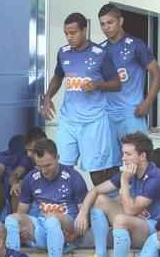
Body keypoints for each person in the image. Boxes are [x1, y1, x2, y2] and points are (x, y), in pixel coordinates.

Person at [73, 132, 160, 257]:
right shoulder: (129, 172)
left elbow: (129, 210)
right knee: (100, 200)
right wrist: (82, 213)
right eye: (123, 153)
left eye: (128, 154)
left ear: (142, 156)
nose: (123, 158)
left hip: (157, 230)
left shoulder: (156, 178)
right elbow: (95, 190)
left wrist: (124, 181)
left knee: (121, 219)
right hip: (139, 223)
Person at [42, 12, 121, 185]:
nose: (69, 37)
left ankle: (101, 209)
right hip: (68, 120)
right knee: (62, 168)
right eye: (66, 33)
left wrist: (98, 85)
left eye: (73, 33)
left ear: (84, 30)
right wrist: (48, 97)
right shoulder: (63, 52)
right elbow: (57, 76)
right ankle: (67, 205)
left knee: (97, 171)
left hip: (93, 122)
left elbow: (116, 83)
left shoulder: (100, 53)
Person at [5, 138, 87, 257]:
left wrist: (76, 233)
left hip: (68, 230)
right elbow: (22, 212)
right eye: (40, 166)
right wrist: (23, 229)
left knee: (52, 219)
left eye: (48, 165)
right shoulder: (31, 178)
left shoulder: (73, 177)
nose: (45, 171)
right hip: (43, 227)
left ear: (58, 158)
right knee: (11, 219)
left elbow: (84, 215)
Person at [98, 3, 160, 141]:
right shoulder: (100, 50)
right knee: (109, 161)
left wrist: (148, 102)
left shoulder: (136, 45)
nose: (106, 27)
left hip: (131, 113)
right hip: (106, 114)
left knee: (136, 159)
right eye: (102, 24)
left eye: (110, 22)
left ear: (120, 21)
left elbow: (158, 74)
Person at [9, 126, 47, 212]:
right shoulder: (27, 158)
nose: (29, 154)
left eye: (31, 150)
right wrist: (15, 183)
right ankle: (16, 222)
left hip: (50, 192)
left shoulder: (49, 157)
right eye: (27, 150)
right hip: (31, 193)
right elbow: (16, 173)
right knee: (16, 190)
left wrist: (21, 183)